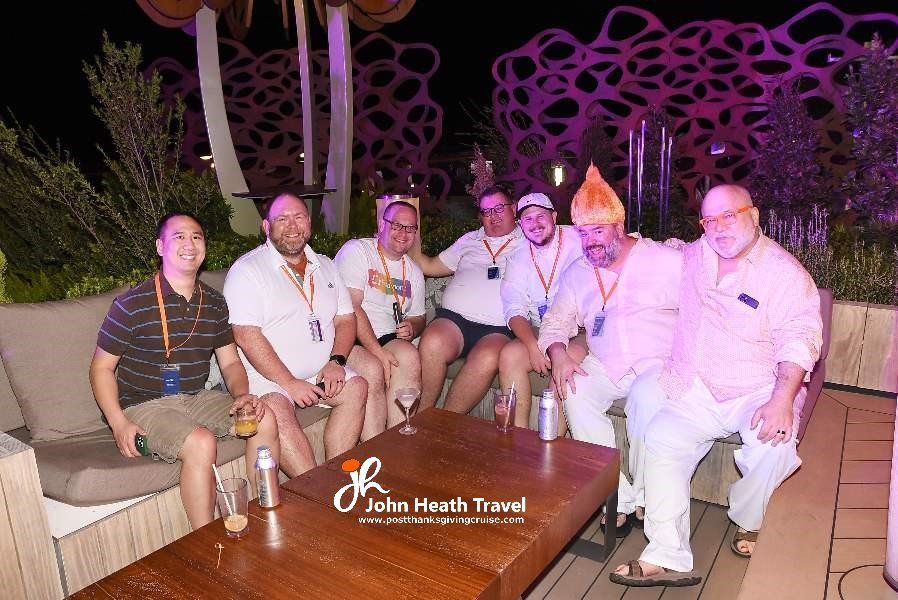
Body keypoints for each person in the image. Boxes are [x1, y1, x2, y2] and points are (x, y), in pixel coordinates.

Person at [610, 184, 822, 588]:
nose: (719, 228)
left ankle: (749, 519)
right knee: (660, 437)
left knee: (774, 443)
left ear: (754, 215)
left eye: (730, 215)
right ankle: (667, 554)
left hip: (759, 386)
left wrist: (781, 400)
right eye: (710, 220)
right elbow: (654, 252)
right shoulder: (694, 255)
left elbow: (801, 338)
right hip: (699, 383)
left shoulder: (784, 273)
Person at [89, 212, 280, 530]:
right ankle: (205, 540)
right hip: (144, 403)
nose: (190, 243)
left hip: (195, 395)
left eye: (197, 236)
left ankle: (263, 511)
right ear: (160, 247)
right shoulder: (131, 304)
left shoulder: (215, 303)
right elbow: (101, 368)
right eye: (179, 236)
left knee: (264, 418)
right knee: (202, 442)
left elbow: (230, 362)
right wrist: (118, 422)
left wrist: (243, 396)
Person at [538, 164, 682, 537]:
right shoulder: (578, 272)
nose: (591, 243)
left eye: (598, 231)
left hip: (658, 362)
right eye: (583, 234)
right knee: (576, 389)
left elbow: (705, 303)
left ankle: (652, 499)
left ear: (619, 227)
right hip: (605, 362)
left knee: (646, 397)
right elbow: (555, 323)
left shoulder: (664, 260)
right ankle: (617, 495)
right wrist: (558, 354)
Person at [224, 193, 373, 478]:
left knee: (357, 387)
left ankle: (340, 477)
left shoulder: (326, 265)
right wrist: (289, 383)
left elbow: (345, 319)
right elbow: (245, 335)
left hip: (317, 371)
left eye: (299, 217)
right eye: (282, 219)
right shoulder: (247, 270)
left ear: (309, 224)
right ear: (266, 227)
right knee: (276, 410)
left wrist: (336, 361)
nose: (292, 226)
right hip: (267, 378)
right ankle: (315, 488)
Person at [409, 185, 524, 413]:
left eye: (499, 208)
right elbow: (429, 266)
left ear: (514, 208)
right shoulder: (470, 240)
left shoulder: (529, 240)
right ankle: (421, 415)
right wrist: (408, 232)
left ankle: (444, 424)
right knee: (432, 342)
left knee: (488, 357)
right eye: (486, 211)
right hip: (455, 320)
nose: (493, 216)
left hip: (498, 327)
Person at [335, 201, 426, 427]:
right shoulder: (357, 250)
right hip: (349, 334)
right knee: (373, 367)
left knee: (409, 356)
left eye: (410, 228)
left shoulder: (413, 271)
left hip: (387, 336)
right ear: (381, 224)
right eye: (397, 225)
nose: (403, 233)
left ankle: (400, 438)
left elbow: (419, 317)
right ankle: (376, 449)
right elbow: (351, 307)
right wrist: (376, 351)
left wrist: (413, 326)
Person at [498, 192, 586, 426]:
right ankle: (517, 436)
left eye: (541, 216)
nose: (535, 224)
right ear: (520, 224)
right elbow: (513, 308)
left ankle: (551, 448)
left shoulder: (580, 239)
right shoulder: (517, 258)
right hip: (541, 327)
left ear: (554, 216)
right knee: (510, 354)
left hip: (580, 330)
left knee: (568, 359)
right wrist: (531, 346)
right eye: (527, 219)